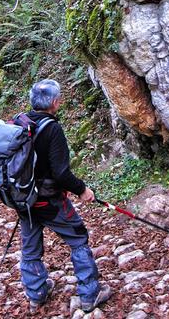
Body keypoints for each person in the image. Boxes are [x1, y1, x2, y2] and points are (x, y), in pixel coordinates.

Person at [20, 79, 112, 314]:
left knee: (30, 248)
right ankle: (90, 294)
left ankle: (36, 293)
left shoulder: (21, 123)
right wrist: (82, 190)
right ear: (54, 102)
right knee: (78, 238)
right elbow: (61, 173)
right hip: (49, 200)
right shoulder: (52, 129)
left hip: (24, 200)